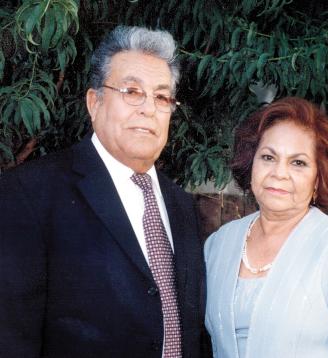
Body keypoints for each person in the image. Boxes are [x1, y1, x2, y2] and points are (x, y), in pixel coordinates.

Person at [0, 26, 206, 358]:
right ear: (94, 103)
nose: (148, 109)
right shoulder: (29, 194)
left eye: (162, 96)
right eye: (132, 91)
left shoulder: (182, 206)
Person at [204, 97, 328, 357]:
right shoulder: (218, 244)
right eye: (268, 157)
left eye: (298, 162)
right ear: (251, 164)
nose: (279, 173)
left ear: (318, 178)